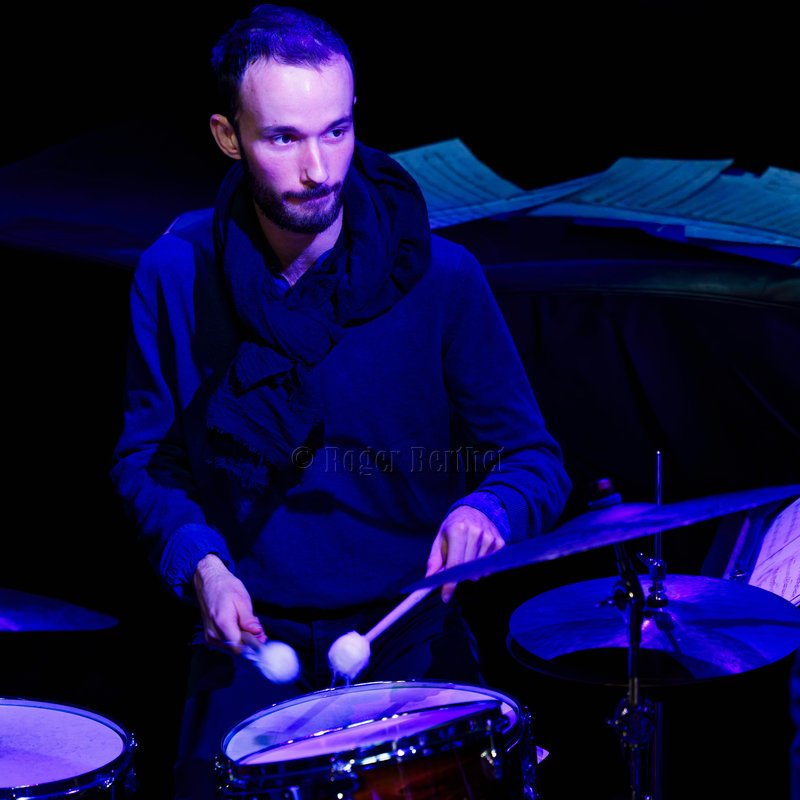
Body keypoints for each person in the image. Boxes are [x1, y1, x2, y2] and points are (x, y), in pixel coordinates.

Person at [110, 5, 571, 798]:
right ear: (228, 136)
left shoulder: (442, 277)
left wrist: (487, 509)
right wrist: (201, 561)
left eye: (337, 131)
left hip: (408, 624)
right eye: (283, 139)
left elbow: (533, 457)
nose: (319, 170)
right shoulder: (176, 273)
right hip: (252, 634)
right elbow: (147, 460)